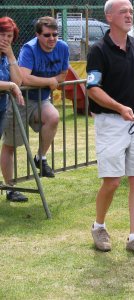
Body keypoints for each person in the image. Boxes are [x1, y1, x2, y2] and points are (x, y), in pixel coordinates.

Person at [87, 0, 134, 256]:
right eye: (123, 12)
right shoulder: (98, 50)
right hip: (111, 122)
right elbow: (93, 89)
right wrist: (119, 108)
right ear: (109, 18)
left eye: (130, 11)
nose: (128, 15)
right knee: (113, 182)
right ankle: (99, 226)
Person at [1, 16, 69, 201]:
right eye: (47, 35)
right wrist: (49, 81)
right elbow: (24, 79)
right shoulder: (29, 48)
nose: (52, 39)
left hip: (41, 99)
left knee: (53, 117)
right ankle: (10, 188)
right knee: (10, 145)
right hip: (18, 102)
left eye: (55, 34)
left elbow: (63, 75)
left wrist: (51, 81)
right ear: (38, 35)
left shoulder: (62, 47)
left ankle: (41, 158)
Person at [0, 17, 26, 202]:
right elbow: (13, 85)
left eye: (10, 36)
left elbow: (18, 81)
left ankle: (9, 188)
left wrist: (10, 55)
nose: (6, 39)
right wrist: (10, 85)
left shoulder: (5, 56)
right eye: (2, 34)